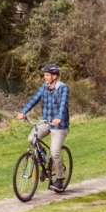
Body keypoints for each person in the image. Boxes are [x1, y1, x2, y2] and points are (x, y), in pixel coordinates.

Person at [18, 64, 70, 192]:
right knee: (31, 139)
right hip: (45, 122)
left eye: (47, 75)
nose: (44, 77)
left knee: (55, 152)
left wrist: (58, 118)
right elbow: (33, 100)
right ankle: (44, 157)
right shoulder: (44, 88)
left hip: (59, 125)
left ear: (54, 76)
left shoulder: (63, 88)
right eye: (44, 75)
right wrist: (23, 112)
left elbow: (63, 105)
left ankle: (59, 180)